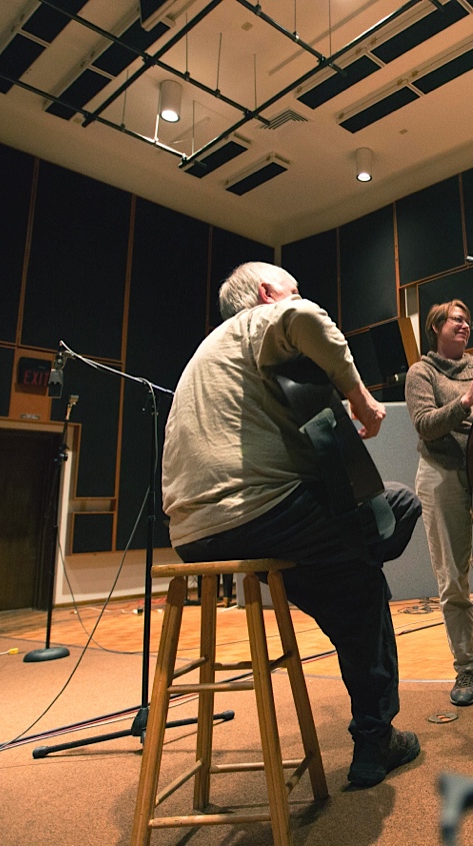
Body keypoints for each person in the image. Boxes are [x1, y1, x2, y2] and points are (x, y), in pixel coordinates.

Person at [162, 261, 423, 786]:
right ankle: (374, 740)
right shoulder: (255, 323)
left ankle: (375, 739)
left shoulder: (207, 357)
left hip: (194, 537)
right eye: (290, 288)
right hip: (266, 517)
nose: (299, 296)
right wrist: (360, 396)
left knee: (354, 582)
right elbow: (302, 317)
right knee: (397, 505)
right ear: (265, 293)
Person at [404, 299, 473, 707]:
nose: (466, 326)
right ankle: (466, 667)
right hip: (442, 473)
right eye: (457, 320)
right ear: (436, 327)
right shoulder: (422, 372)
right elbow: (425, 425)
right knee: (453, 577)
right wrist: (467, 400)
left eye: (468, 321)